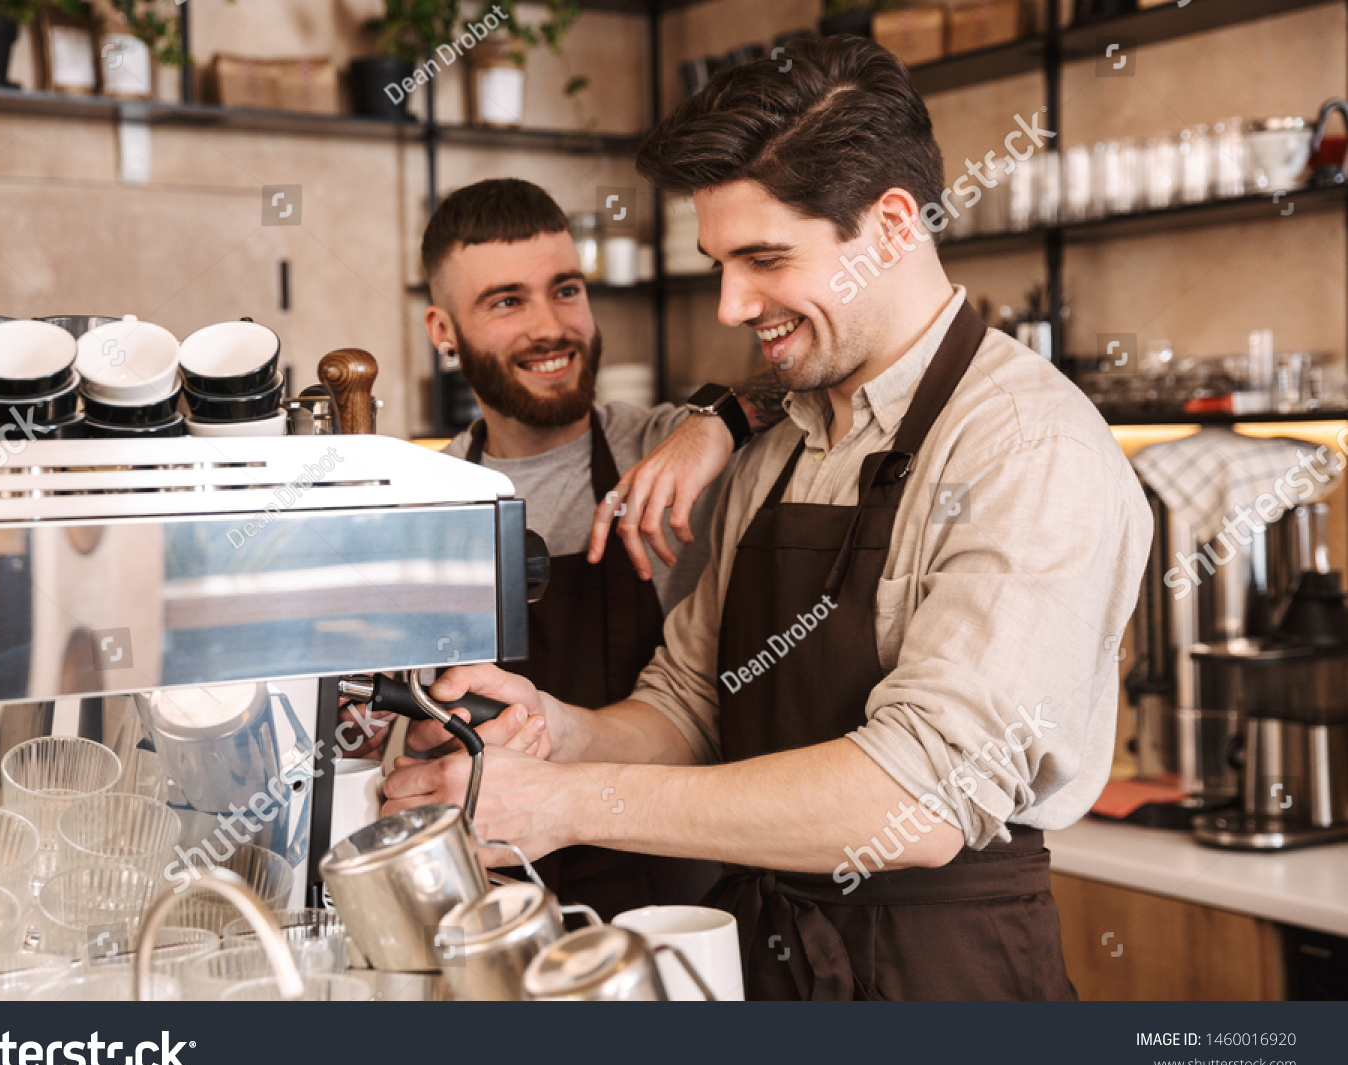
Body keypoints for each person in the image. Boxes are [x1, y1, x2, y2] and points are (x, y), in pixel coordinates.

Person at [382, 38, 1153, 1000]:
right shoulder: (782, 439)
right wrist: (559, 731)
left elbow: (919, 797)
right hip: (766, 962)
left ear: (892, 226)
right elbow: (690, 703)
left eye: (764, 259)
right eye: (719, 262)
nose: (732, 304)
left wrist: (566, 801)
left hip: (942, 978)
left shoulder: (1029, 449)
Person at [350, 178, 782, 919]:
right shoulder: (420, 503)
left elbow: (815, 379)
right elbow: (375, 738)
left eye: (567, 289)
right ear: (443, 330)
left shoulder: (666, 451)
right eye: (506, 301)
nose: (551, 327)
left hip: (682, 905)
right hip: (490, 913)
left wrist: (720, 420)